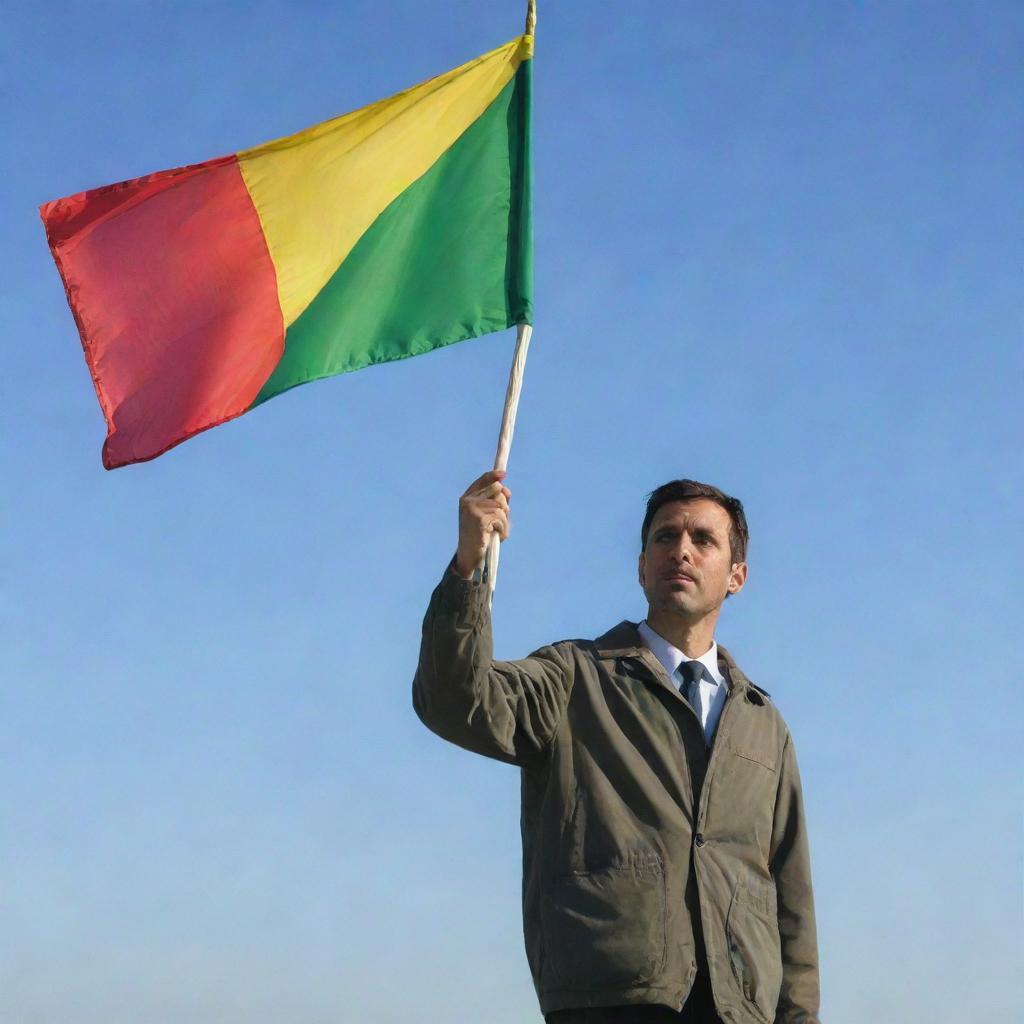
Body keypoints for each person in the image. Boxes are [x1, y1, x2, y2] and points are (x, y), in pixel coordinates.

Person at [413, 470, 820, 1024]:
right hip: (608, 998)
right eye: (664, 537)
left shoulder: (762, 724)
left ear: (736, 576)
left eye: (703, 540)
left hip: (739, 1008)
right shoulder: (572, 676)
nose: (681, 551)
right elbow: (454, 700)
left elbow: (790, 900)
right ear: (641, 566)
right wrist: (468, 568)